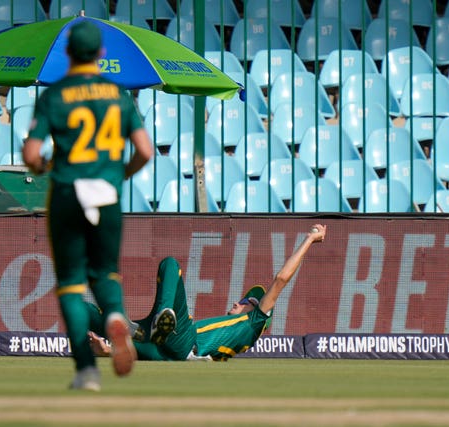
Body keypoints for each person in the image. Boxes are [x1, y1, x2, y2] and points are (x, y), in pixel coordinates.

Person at [22, 20, 154, 391]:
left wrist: (44, 164)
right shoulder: (118, 95)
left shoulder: (55, 95)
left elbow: (31, 153)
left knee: (70, 285)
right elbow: (144, 151)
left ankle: (86, 371)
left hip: (68, 192)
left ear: (67, 53)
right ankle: (114, 316)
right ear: (101, 54)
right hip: (107, 194)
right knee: (106, 274)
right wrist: (121, 174)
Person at [86, 224, 326, 361]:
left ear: (259, 313)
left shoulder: (253, 324)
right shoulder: (234, 334)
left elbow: (281, 279)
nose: (238, 301)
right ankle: (138, 330)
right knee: (95, 316)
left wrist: (310, 240)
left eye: (246, 301)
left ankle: (161, 318)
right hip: (171, 352)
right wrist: (107, 351)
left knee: (170, 264)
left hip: (184, 341)